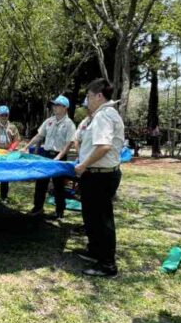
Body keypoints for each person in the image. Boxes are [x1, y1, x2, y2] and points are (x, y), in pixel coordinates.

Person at [74, 79, 125, 277]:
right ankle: (95, 250)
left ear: (99, 96)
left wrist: (83, 165)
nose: (87, 100)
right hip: (95, 174)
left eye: (88, 96)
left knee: (102, 219)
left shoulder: (104, 115)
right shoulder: (101, 116)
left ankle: (107, 264)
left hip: (100, 176)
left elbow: (104, 147)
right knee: (92, 216)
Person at [26, 95, 76, 220]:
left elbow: (69, 144)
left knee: (58, 185)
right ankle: (37, 208)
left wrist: (59, 157)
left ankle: (59, 211)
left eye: (58, 105)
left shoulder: (69, 124)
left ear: (65, 108)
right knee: (41, 183)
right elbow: (39, 136)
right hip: (46, 155)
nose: (54, 107)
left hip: (59, 156)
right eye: (54, 104)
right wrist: (26, 146)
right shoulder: (49, 121)